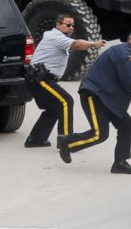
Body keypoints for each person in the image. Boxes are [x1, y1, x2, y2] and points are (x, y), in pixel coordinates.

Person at [56, 28, 131, 174]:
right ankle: (67, 142)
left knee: (126, 124)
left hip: (107, 97)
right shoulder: (124, 55)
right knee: (99, 134)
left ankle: (120, 163)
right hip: (94, 94)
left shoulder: (129, 54)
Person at [23, 14, 105, 148]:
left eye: (72, 25)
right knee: (66, 101)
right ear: (58, 25)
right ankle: (66, 141)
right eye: (67, 25)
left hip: (41, 79)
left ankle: (35, 139)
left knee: (54, 107)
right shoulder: (54, 36)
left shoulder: (58, 37)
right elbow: (77, 44)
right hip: (39, 78)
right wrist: (93, 44)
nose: (71, 27)